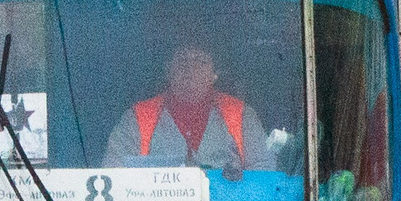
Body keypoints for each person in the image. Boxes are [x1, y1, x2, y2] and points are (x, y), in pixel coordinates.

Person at [101, 43, 281, 177]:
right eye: (182, 60)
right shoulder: (138, 117)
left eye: (200, 61)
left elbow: (265, 175)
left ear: (214, 74)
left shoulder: (241, 115)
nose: (190, 67)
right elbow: (113, 176)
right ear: (168, 70)